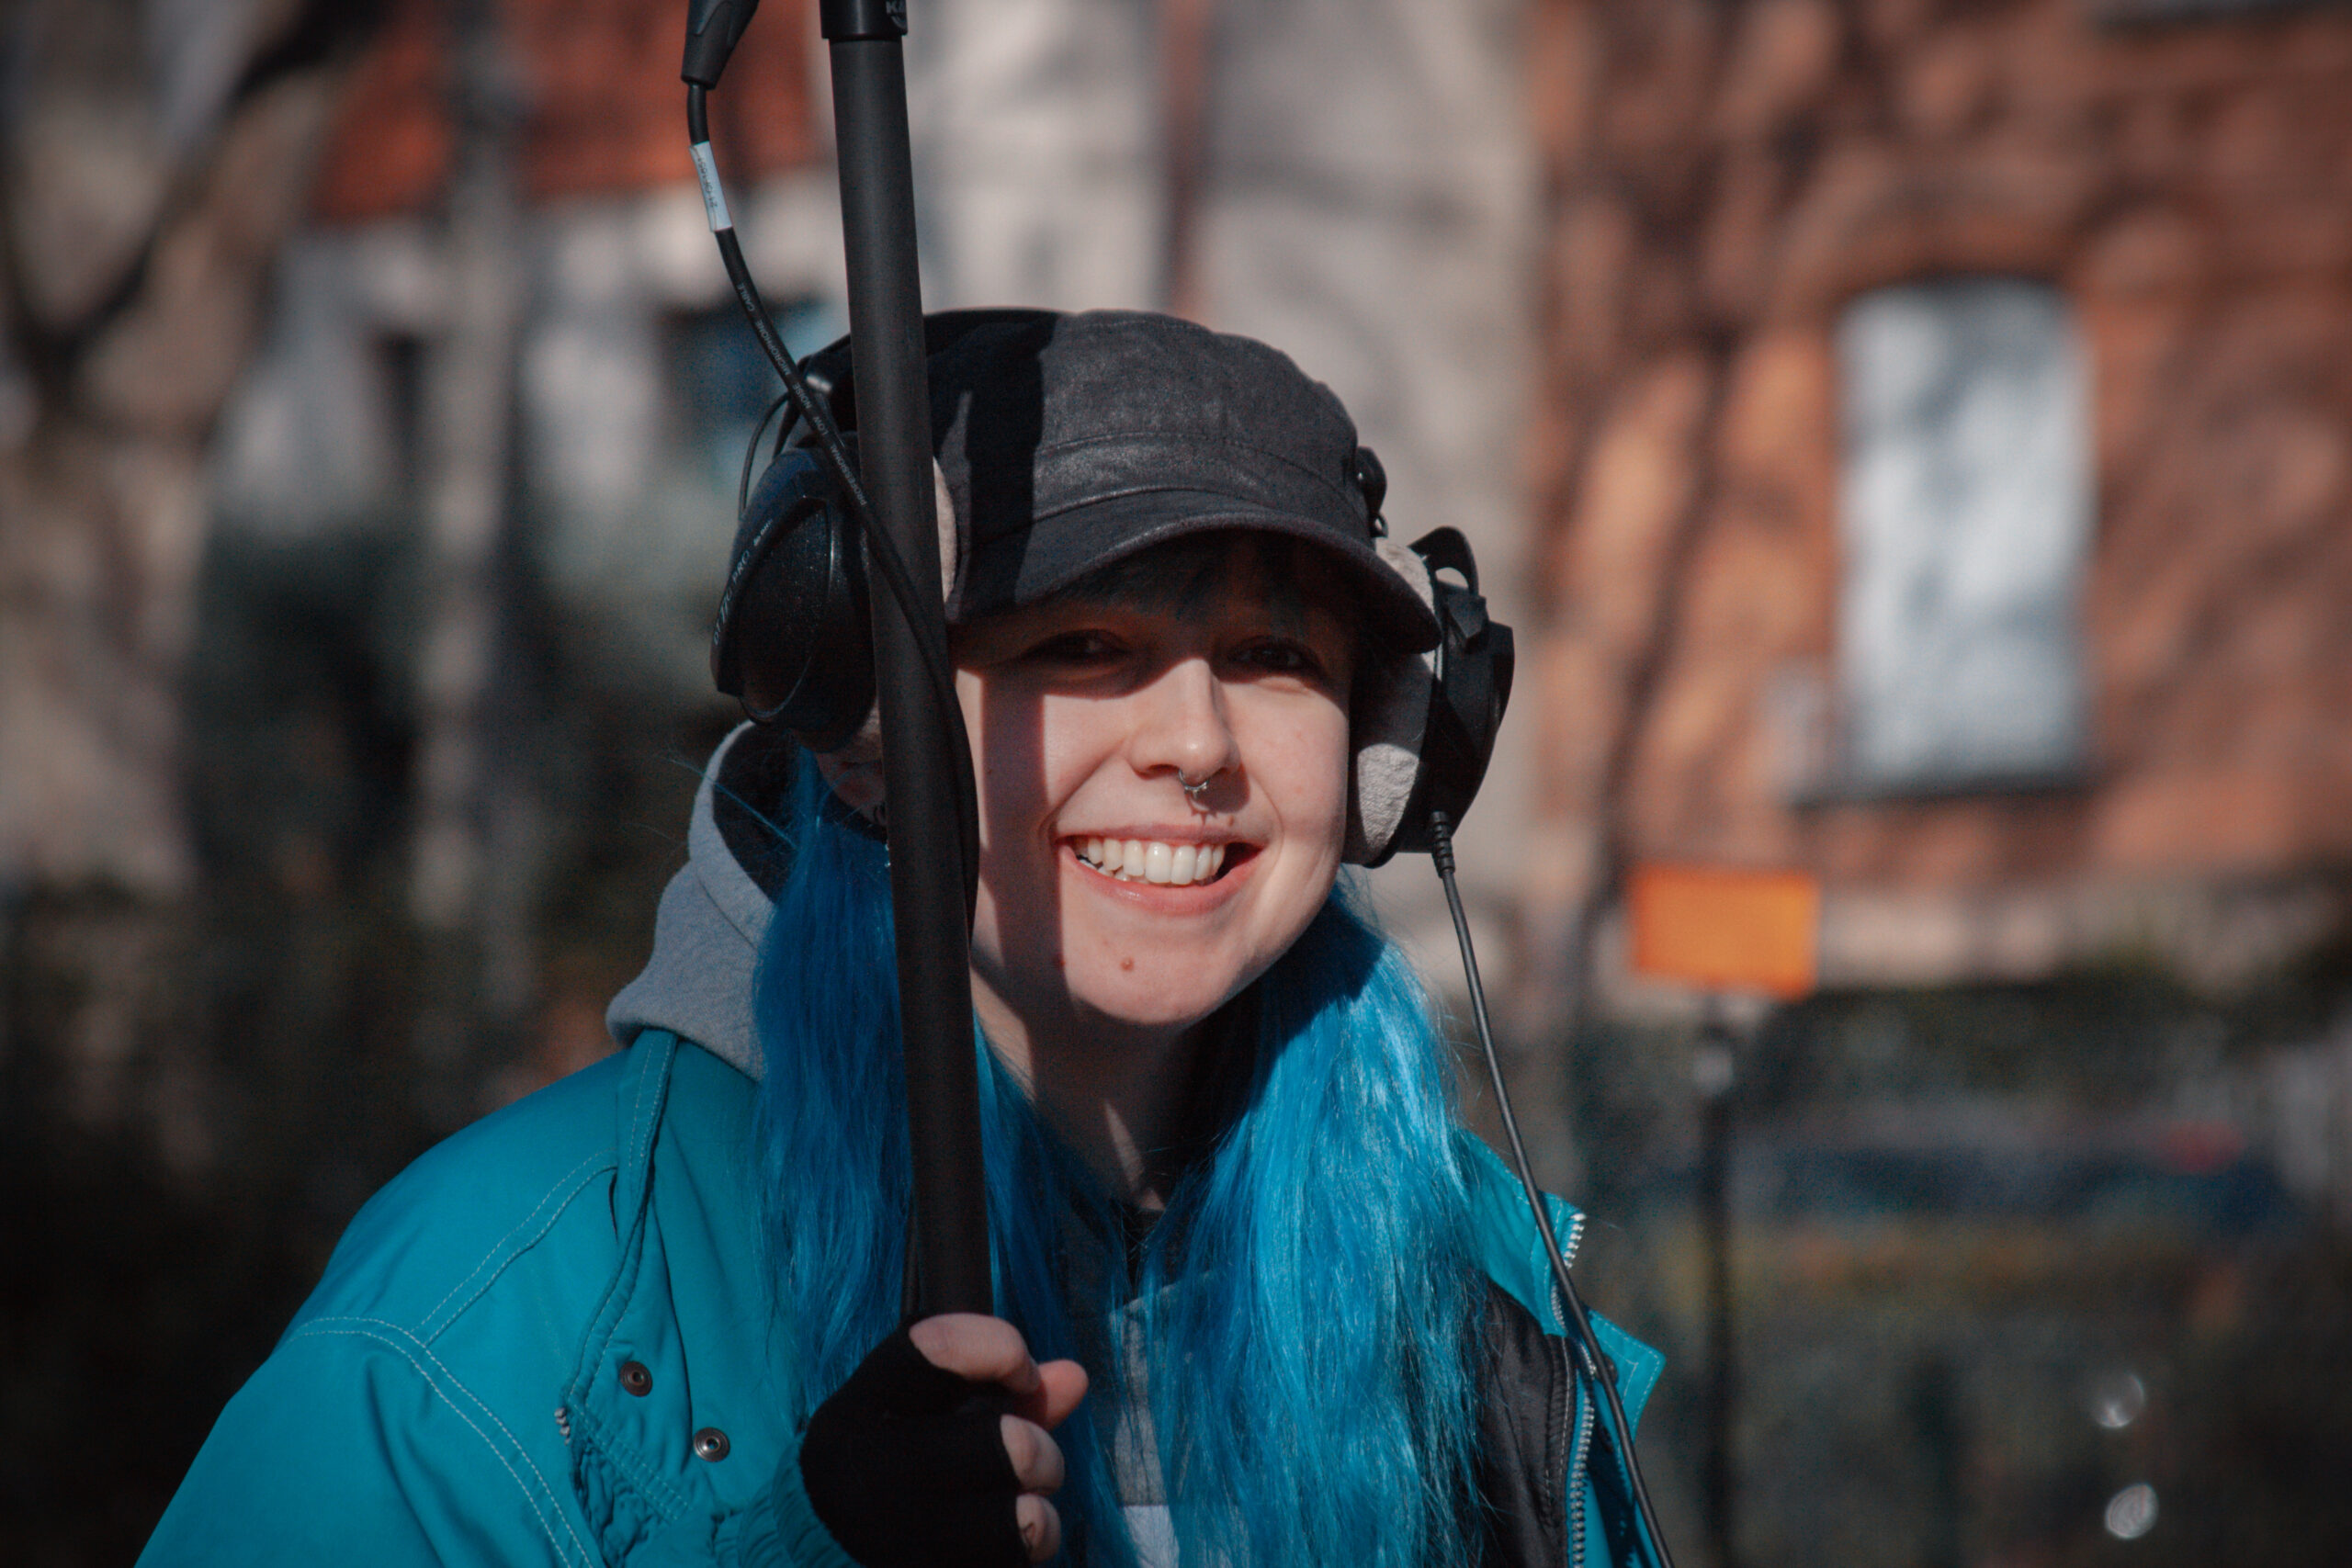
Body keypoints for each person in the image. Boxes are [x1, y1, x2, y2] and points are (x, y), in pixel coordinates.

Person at [140, 310, 1660, 1568]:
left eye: (1275, 658)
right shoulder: (483, 1322)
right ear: (857, 732)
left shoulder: (1477, 1310)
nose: (1197, 740)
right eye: (1081, 644)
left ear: (1393, 759)